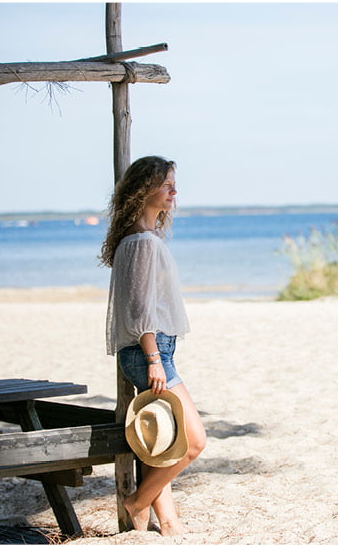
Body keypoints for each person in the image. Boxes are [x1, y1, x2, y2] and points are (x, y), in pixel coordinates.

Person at [100, 156, 207, 535]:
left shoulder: (141, 237)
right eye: (167, 185)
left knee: (163, 440)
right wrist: (154, 359)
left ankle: (169, 522)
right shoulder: (142, 242)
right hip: (149, 351)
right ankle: (137, 502)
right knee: (194, 442)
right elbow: (140, 309)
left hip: (151, 350)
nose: (174, 192)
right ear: (145, 189)